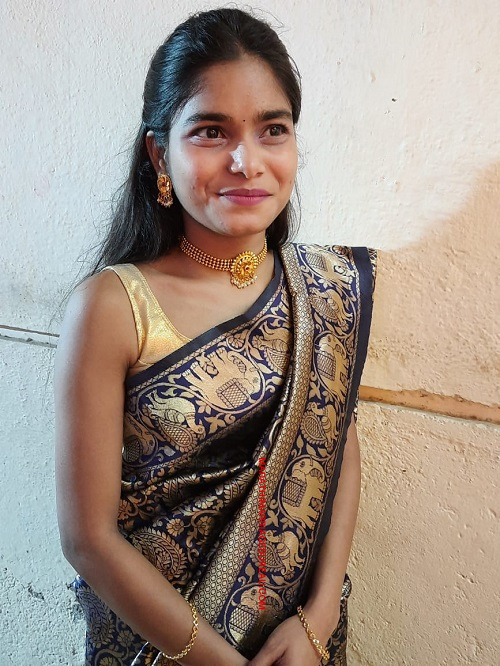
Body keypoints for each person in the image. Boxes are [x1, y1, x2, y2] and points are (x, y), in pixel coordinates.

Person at [55, 7, 376, 666]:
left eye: (272, 130)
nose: (246, 161)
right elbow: (88, 538)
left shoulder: (322, 292)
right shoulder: (114, 306)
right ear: (159, 154)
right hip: (160, 648)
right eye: (210, 131)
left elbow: (336, 453)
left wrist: (316, 621)